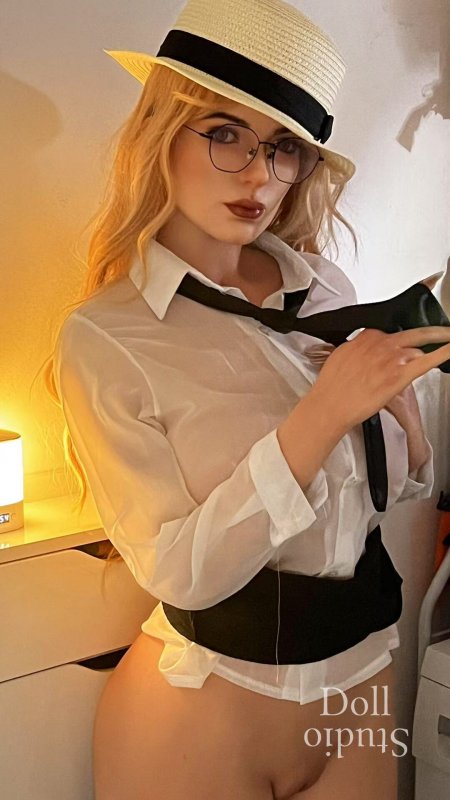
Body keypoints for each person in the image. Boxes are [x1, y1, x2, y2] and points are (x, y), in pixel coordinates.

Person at [47, 1, 450, 797]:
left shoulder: (326, 288)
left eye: (283, 147)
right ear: (163, 133)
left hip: (361, 686)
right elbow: (179, 571)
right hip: (205, 711)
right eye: (226, 134)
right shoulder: (108, 337)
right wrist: (322, 416)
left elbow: (395, 492)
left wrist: (400, 410)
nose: (261, 177)